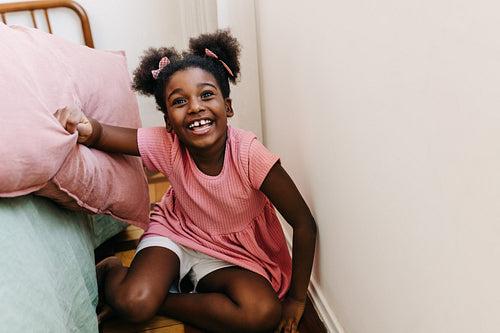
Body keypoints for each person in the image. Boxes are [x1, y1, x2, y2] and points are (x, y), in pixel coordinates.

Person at [54, 29, 316, 333]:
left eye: (206, 95)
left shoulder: (250, 155)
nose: (194, 107)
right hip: (176, 234)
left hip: (235, 254)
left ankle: (166, 298)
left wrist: (297, 299)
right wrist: (84, 126)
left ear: (227, 107)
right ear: (168, 121)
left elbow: (304, 223)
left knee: (263, 313)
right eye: (179, 102)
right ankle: (112, 270)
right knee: (135, 302)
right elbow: (103, 135)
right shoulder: (167, 144)